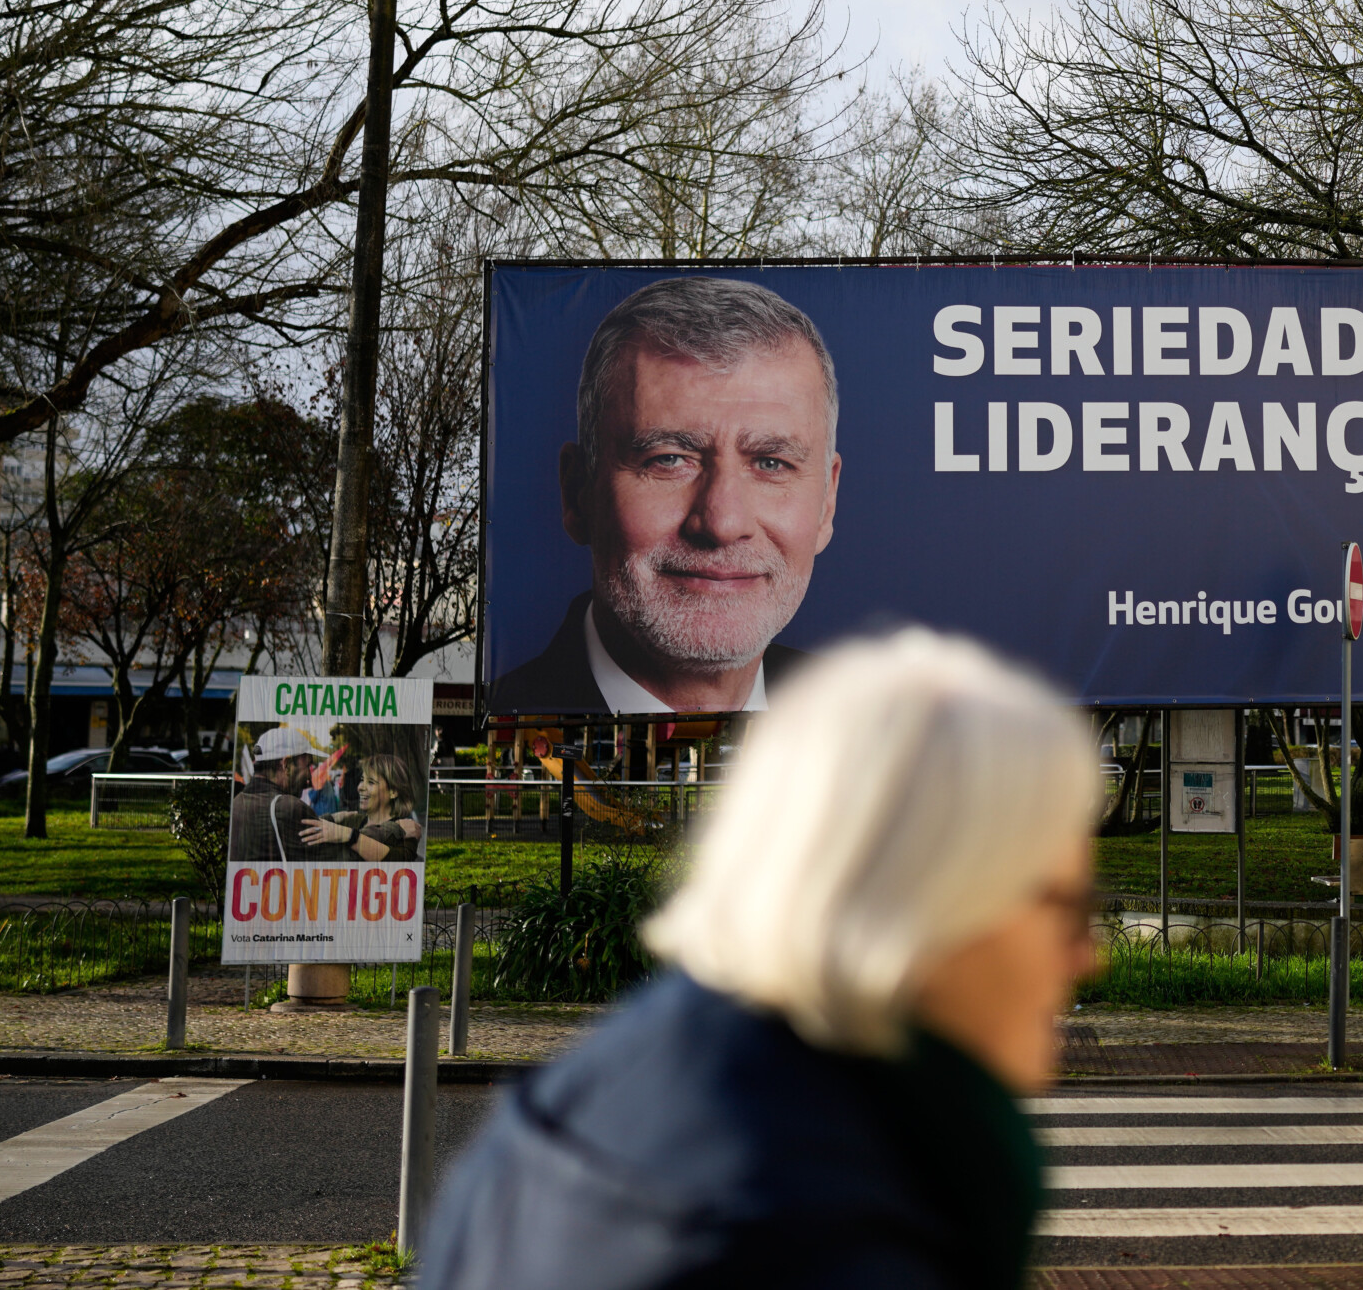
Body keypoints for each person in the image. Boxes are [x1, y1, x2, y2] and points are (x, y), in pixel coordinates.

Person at [422, 630, 1103, 1290]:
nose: (1087, 955)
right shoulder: (826, 1242)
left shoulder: (601, 1086)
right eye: (1068, 905)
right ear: (941, 894)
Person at [489, 277, 840, 718]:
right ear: (578, 492)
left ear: (827, 501)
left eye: (771, 463)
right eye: (669, 459)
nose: (722, 523)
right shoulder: (506, 715)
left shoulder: (875, 734)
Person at [228, 726, 339, 862]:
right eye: (307, 766)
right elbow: (335, 863)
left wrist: (332, 819)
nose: (310, 777)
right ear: (286, 765)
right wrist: (356, 836)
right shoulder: (289, 807)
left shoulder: (237, 803)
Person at [299, 753, 423, 862]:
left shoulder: (407, 831)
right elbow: (304, 835)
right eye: (362, 780)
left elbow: (396, 860)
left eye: (370, 782)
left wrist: (348, 836)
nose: (360, 787)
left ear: (393, 792)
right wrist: (332, 818)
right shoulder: (350, 821)